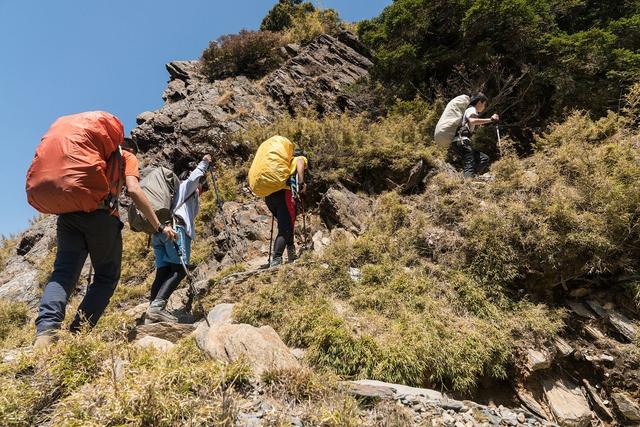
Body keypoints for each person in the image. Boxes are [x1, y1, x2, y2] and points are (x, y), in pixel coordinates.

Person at [34, 137, 177, 349]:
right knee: (106, 277)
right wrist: (158, 226)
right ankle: (78, 333)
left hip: (68, 217)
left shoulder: (92, 156)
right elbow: (134, 190)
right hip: (102, 217)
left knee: (63, 274)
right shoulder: (127, 157)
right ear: (130, 149)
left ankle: (46, 332)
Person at [145, 154, 211, 323]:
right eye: (202, 190)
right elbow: (195, 176)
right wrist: (205, 162)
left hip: (159, 232)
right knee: (180, 269)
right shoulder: (186, 187)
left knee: (163, 271)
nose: (201, 194)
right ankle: (157, 308)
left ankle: (152, 311)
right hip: (175, 230)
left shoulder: (173, 192)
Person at [265, 148, 308, 267]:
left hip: (270, 196)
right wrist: (301, 183)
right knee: (285, 228)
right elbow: (300, 164)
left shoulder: (283, 163)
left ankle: (291, 253)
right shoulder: (299, 158)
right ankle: (277, 258)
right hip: (285, 194)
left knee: (287, 224)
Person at [454, 92, 499, 178]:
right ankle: (467, 183)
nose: (484, 107)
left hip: (460, 141)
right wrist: (491, 119)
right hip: (462, 140)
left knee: (484, 159)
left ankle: (470, 177)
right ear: (479, 102)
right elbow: (472, 121)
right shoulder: (472, 109)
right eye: (484, 104)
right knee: (469, 161)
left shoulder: (469, 110)